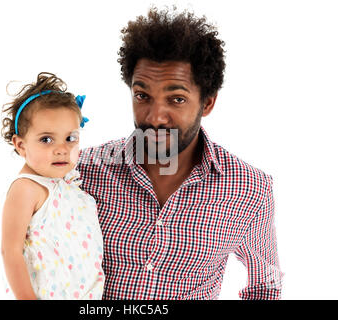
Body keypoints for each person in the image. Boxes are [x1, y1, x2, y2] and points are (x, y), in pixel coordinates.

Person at [76, 7, 284, 299]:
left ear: (207, 103)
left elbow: (265, 284)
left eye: (176, 99)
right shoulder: (81, 171)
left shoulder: (251, 190)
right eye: (142, 96)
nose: (156, 116)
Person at [0, 72, 104, 300]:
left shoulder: (67, 183)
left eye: (70, 138)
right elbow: (11, 251)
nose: (62, 149)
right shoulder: (27, 188)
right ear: (21, 144)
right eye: (46, 139)